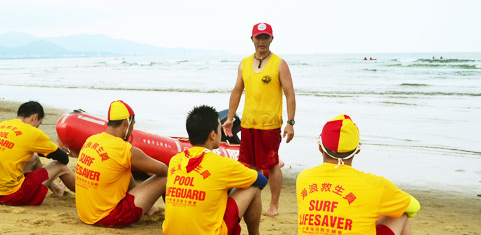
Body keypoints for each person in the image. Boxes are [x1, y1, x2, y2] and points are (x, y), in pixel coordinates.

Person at [296, 115, 420, 235]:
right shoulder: (374, 185)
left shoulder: (303, 178)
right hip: (374, 193)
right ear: (358, 149)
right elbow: (414, 207)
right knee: (398, 211)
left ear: (320, 147)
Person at [223, 22, 296, 216]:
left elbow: (290, 93)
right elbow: (237, 91)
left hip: (270, 125)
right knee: (250, 166)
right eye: (258, 37)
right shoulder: (244, 63)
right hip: (248, 123)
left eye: (266, 37)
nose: (262, 41)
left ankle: (274, 206)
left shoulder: (279, 63)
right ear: (252, 39)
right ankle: (252, 202)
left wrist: (290, 122)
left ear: (272, 39)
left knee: (272, 165)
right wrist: (230, 118)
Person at [163, 105, 268, 235]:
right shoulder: (222, 164)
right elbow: (262, 180)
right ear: (213, 135)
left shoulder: (175, 160)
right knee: (253, 186)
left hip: (171, 232)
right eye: (220, 128)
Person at [74, 100, 168, 227]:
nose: (132, 129)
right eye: (133, 124)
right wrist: (146, 168)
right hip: (109, 216)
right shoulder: (124, 149)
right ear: (126, 123)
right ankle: (173, 215)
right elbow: (163, 169)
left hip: (85, 214)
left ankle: (149, 208)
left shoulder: (91, 140)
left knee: (122, 167)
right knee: (166, 177)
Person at [0, 101, 75, 206]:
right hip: (13, 195)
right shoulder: (32, 132)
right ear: (35, 117)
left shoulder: (2, 125)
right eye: (39, 124)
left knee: (33, 157)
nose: (38, 127)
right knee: (60, 166)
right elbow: (63, 159)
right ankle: (83, 191)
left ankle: (56, 189)